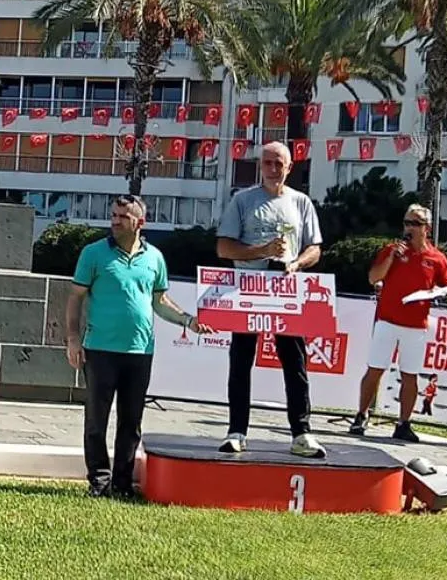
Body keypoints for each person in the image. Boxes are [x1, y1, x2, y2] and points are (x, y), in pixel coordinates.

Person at [66, 195, 211, 498]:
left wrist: (189, 321)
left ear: (140, 222)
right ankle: (99, 482)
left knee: (131, 421)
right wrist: (73, 338)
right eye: (113, 215)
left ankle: (122, 483)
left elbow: (160, 301)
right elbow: (75, 298)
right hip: (100, 349)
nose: (115, 221)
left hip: (140, 351)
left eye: (123, 216)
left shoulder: (154, 258)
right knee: (96, 420)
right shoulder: (93, 253)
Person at [216, 141, 326, 458]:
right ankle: (237, 431)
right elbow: (223, 248)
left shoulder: (301, 202)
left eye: (279, 163)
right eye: (268, 162)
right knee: (241, 359)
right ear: (259, 166)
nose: (273, 169)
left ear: (290, 167)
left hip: (286, 288)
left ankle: (301, 432)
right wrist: (262, 251)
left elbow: (314, 249)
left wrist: (296, 263)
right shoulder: (243, 200)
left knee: (295, 361)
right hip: (248, 288)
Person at [349, 205, 447, 442]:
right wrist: (392, 257)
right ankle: (361, 415)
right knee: (375, 369)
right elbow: (373, 277)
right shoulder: (391, 250)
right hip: (387, 320)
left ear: (427, 228)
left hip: (416, 325)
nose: (409, 228)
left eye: (415, 224)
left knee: (410, 375)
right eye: (406, 223)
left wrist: (433, 293)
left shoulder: (437, 258)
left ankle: (403, 423)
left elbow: (446, 286)